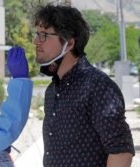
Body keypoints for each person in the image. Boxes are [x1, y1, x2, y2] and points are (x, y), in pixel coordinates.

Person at [32, 4, 135, 167]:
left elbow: (121, 151)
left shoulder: (98, 87)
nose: (36, 41)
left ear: (69, 43)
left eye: (44, 35)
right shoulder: (52, 91)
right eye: (37, 34)